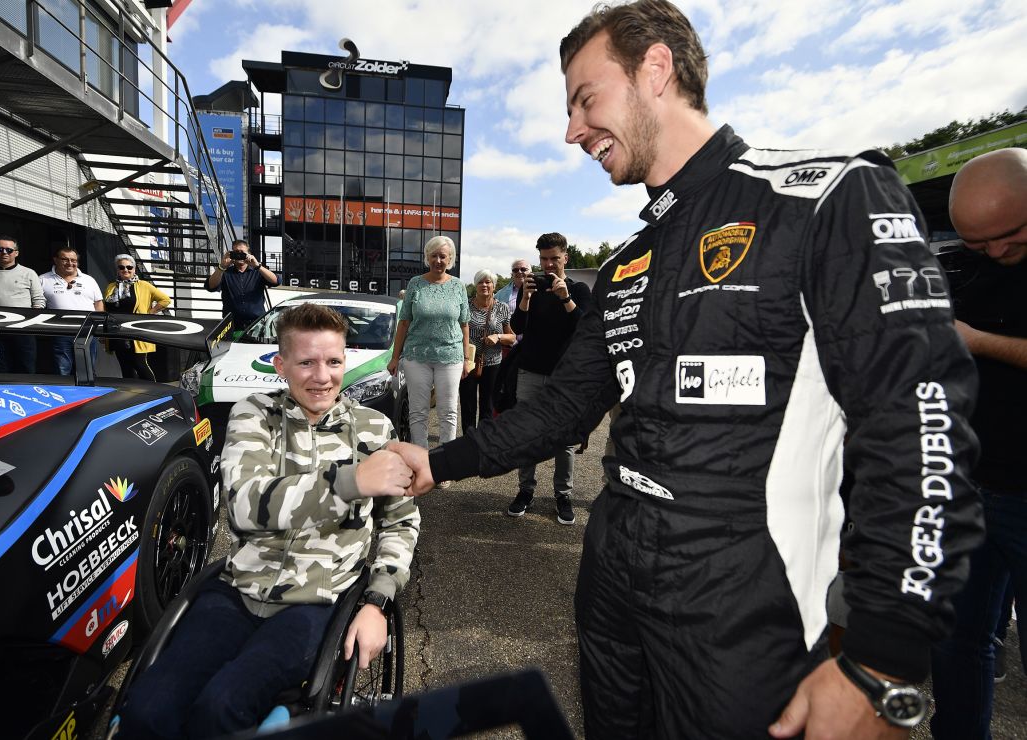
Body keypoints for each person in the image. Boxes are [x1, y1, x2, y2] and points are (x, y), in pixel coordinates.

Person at [386, 2, 984, 737]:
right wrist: (436, 462)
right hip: (613, 568)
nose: (571, 130)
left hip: (743, 595)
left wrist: (881, 660)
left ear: (656, 69)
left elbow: (922, 430)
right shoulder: (628, 260)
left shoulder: (825, 197)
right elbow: (564, 409)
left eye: (585, 99)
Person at [116, 303, 420, 738]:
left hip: (318, 600)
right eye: (307, 362)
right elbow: (243, 506)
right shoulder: (253, 414)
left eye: (333, 361)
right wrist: (352, 480)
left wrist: (378, 601)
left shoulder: (375, 428)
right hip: (239, 589)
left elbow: (400, 522)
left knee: (220, 709)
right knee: (146, 710)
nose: (322, 376)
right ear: (281, 365)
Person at [929, 147, 1027, 739]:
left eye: (1007, 235)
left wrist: (975, 341)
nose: (993, 251)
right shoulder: (959, 267)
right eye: (976, 240)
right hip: (965, 485)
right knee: (955, 642)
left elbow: (970, 342)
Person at [505, 233, 592, 526]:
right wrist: (526, 298)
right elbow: (516, 326)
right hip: (530, 370)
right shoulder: (533, 290)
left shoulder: (578, 289)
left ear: (566, 257)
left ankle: (563, 495)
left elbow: (584, 327)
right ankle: (525, 491)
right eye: (543, 259)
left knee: (564, 441)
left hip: (564, 377)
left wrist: (565, 298)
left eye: (554, 258)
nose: (549, 265)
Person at [386, 235, 470, 482]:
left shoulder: (458, 286)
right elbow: (404, 322)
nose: (438, 260)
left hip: (450, 356)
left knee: (448, 412)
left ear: (450, 259)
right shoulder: (415, 284)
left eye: (443, 256)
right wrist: (395, 357)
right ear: (427, 257)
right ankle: (421, 466)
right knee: (418, 412)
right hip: (417, 356)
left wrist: (466, 358)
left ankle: (445, 467)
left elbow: (464, 324)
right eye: (433, 255)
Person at [0, 236, 45, 373]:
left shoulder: (29, 273)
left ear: (16, 253)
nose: (4, 253)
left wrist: (32, 324)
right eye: (0, 249)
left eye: (9, 250)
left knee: (26, 368)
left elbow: (38, 301)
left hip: (23, 329)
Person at [459, 269, 515, 434]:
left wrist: (498, 336)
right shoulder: (465, 306)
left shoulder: (502, 308)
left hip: (492, 363)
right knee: (468, 405)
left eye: (488, 282)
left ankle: (484, 444)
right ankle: (468, 443)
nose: (484, 285)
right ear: (475, 285)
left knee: (488, 406)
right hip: (468, 362)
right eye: (481, 282)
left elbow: (512, 337)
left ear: (494, 286)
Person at [102, 254, 170, 380]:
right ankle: (132, 395)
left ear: (134, 269)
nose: (125, 270)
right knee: (125, 367)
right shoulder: (111, 287)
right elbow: (106, 308)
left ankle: (155, 392)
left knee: (140, 364)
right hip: (116, 332)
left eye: (129, 267)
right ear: (117, 270)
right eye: (121, 267)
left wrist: (150, 312)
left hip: (135, 332)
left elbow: (165, 300)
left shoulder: (143, 285)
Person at [39, 247, 104, 375]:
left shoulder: (89, 280)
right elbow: (37, 305)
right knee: (62, 370)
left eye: (73, 260)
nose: (70, 263)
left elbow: (98, 303)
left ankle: (88, 395)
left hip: (87, 331)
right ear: (55, 260)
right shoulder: (43, 279)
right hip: (60, 332)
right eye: (65, 259)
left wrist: (99, 328)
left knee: (88, 370)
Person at [205, 239, 279, 331]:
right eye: (236, 252)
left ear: (249, 254)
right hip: (232, 325)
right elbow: (210, 286)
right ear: (231, 254)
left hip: (257, 324)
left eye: (242, 253)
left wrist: (258, 266)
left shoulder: (258, 272)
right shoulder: (225, 273)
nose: (239, 255)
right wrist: (222, 266)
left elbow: (276, 281)